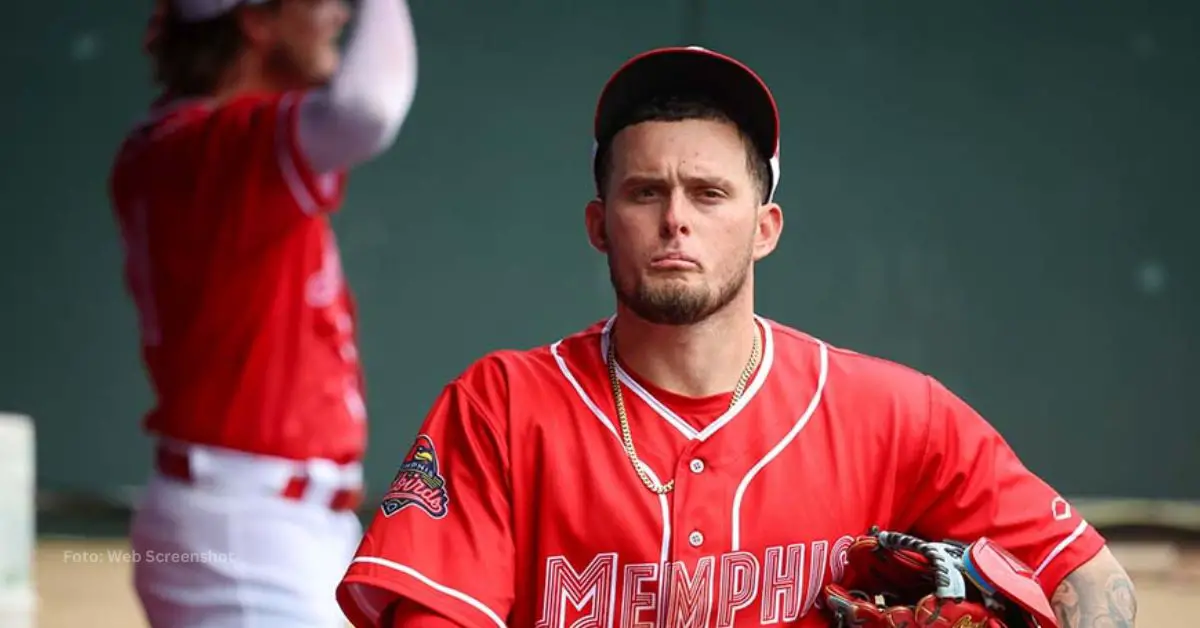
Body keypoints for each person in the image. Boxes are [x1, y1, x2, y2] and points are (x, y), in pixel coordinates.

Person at [333, 47, 1136, 627]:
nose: (675, 217)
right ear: (598, 225)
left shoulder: (895, 415)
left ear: (766, 228)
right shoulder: (503, 407)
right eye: (645, 191)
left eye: (709, 192)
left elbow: (1093, 580)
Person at [106, 0, 417, 625]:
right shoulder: (203, 149)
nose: (339, 15)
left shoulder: (189, 146)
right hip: (244, 527)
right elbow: (367, 109)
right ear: (256, 19)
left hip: (283, 524)